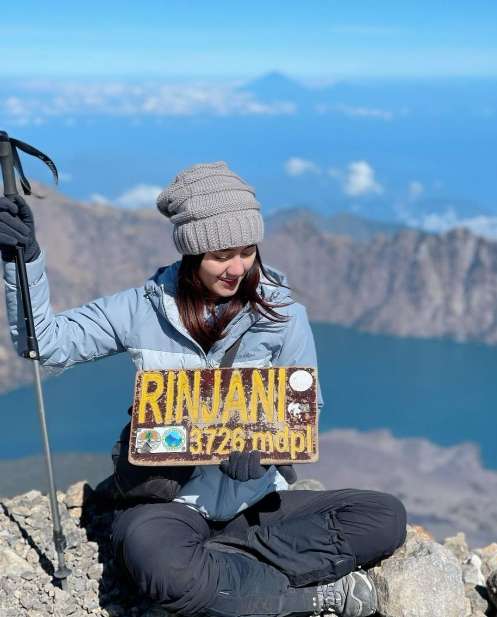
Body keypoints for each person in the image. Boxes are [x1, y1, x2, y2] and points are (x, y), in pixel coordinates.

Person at [0, 161, 407, 617]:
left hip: (255, 501)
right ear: (192, 254)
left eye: (247, 250)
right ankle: (309, 596)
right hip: (170, 502)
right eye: (221, 255)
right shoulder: (140, 310)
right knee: (156, 562)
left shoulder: (284, 315)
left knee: (384, 517)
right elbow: (45, 345)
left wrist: (264, 449)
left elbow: (305, 408)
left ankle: (226, 577)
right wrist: (24, 261)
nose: (237, 268)